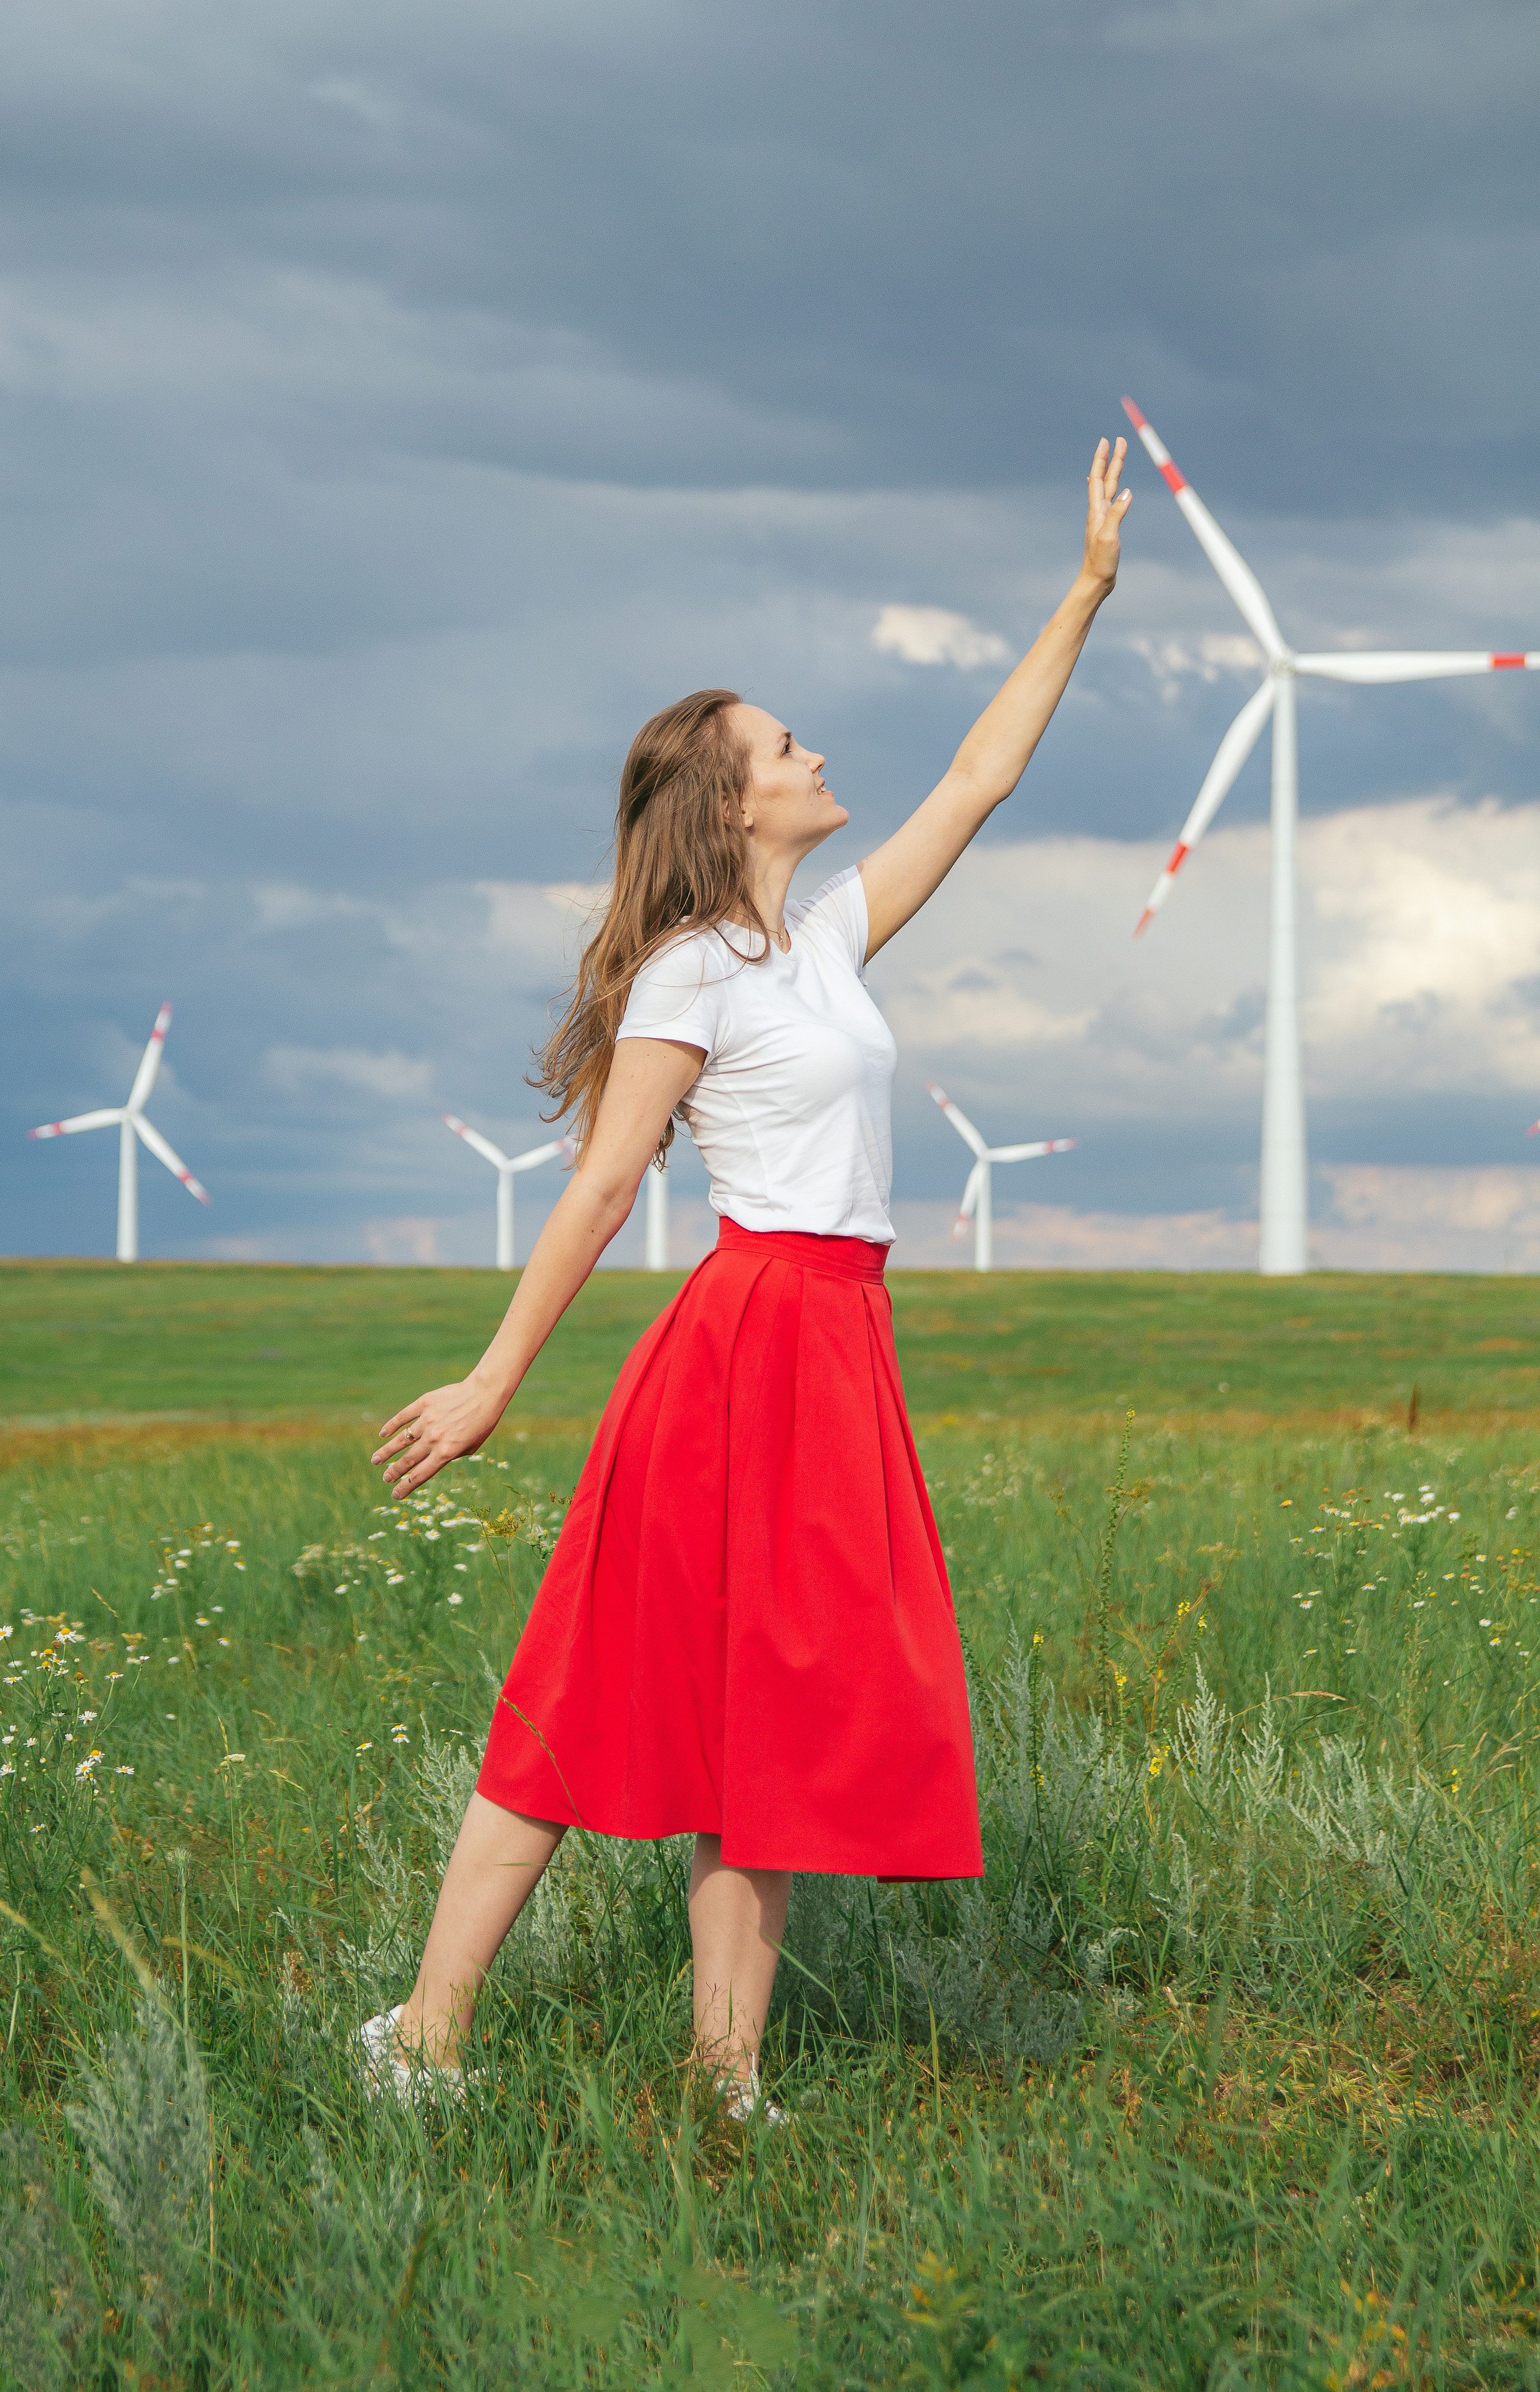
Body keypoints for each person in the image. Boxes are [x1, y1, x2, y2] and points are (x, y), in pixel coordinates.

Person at [360, 435, 1130, 2113]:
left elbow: (982, 779)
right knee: (593, 1691)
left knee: (768, 1730)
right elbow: (603, 1186)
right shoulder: (692, 976)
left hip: (841, 1341)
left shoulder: (827, 938)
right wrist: (495, 1380)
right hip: (741, 1346)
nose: (818, 748)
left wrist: (1081, 592)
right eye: (787, 742)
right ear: (731, 802)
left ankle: (727, 2081)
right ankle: (419, 2040)